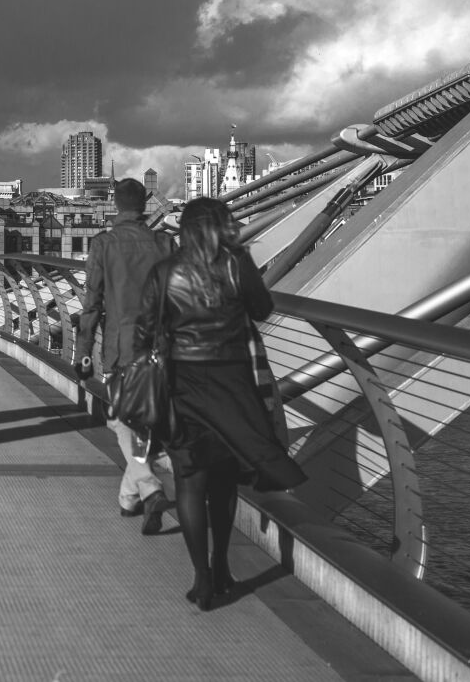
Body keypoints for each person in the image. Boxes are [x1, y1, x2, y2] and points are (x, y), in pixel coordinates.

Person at [132, 197, 306, 611]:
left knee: (190, 481)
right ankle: (223, 565)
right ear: (221, 228)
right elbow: (262, 309)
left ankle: (202, 578)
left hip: (182, 385)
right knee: (225, 482)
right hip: (232, 384)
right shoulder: (235, 263)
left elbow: (144, 329)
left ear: (186, 230)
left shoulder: (165, 271)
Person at [74, 178, 176, 535]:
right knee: (146, 422)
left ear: (116, 204)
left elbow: (92, 303)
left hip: (121, 349)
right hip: (163, 349)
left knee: (122, 420)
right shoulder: (165, 242)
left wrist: (84, 352)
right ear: (145, 204)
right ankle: (130, 496)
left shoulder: (104, 244)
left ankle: (148, 488)